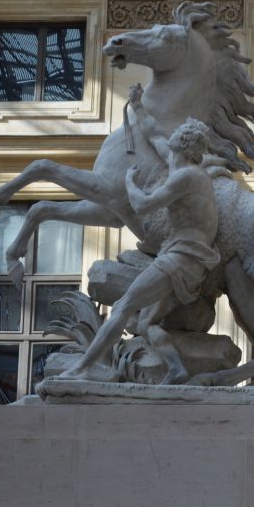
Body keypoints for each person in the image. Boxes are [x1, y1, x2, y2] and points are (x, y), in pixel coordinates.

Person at [57, 112, 219, 384]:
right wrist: (138, 105)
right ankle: (176, 368)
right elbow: (155, 133)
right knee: (145, 324)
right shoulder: (177, 164)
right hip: (182, 256)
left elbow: (143, 205)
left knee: (122, 306)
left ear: (184, 143)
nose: (173, 134)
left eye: (178, 133)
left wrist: (128, 182)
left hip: (183, 258)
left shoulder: (189, 176)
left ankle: (81, 370)